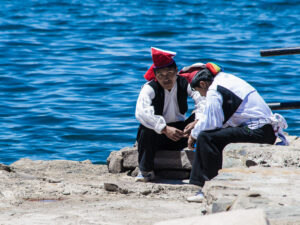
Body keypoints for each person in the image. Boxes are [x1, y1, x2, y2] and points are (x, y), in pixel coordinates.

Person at [184, 62, 288, 202]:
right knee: (212, 135)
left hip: (258, 132)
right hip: (264, 129)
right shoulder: (224, 79)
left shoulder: (214, 91)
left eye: (199, 91)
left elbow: (212, 123)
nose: (201, 95)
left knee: (206, 137)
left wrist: (194, 134)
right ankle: (211, 183)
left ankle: (204, 187)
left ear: (203, 84)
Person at [135, 47, 205, 182]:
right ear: (155, 76)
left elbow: (202, 99)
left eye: (170, 73)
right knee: (146, 127)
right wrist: (164, 128)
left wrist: (197, 122)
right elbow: (141, 112)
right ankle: (146, 171)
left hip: (181, 133)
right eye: (160, 75)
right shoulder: (149, 88)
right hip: (158, 135)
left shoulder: (185, 83)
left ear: (176, 72)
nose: (166, 78)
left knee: (204, 117)